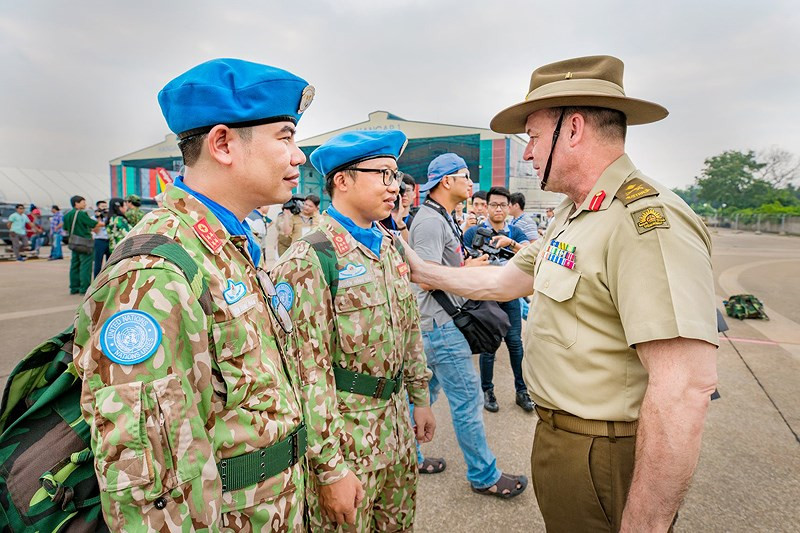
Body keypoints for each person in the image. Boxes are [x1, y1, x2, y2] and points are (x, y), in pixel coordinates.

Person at [406, 55, 719, 531]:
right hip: (563, 438)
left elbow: (683, 389)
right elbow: (506, 280)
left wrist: (644, 524)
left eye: (532, 136)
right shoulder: (571, 216)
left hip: (606, 451)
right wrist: (424, 271)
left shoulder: (644, 223)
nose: (528, 153)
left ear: (572, 130)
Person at [72, 58, 316, 530]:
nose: (298, 155)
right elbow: (150, 492)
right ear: (223, 143)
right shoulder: (153, 274)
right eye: (285, 136)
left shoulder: (226, 244)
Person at [272, 130, 435, 531]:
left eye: (395, 176)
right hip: (348, 440)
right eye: (383, 175)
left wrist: (421, 397)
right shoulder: (312, 256)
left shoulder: (389, 246)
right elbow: (307, 373)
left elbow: (409, 328)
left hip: (396, 427)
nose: (394, 187)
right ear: (342, 181)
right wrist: (329, 468)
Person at [409, 152, 528, 500]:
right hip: (441, 326)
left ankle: (412, 456)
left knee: (423, 396)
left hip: (435, 324)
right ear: (446, 181)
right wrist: (468, 272)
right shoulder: (430, 221)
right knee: (468, 402)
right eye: (463, 176)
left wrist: (467, 265)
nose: (470, 183)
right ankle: (484, 475)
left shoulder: (441, 215)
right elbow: (426, 277)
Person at [463, 186, 533, 413]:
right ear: (487, 206)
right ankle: (487, 391)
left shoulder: (515, 232)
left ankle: (521, 391)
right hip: (486, 297)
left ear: (509, 207)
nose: (498, 209)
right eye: (494, 204)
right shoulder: (474, 232)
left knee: (515, 343)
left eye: (503, 205)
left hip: (510, 295)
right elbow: (460, 259)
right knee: (488, 346)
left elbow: (531, 252)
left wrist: (510, 244)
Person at [63, 195, 98, 294]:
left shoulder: (67, 215)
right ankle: (84, 288)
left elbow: (65, 228)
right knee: (85, 266)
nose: (85, 204)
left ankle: (74, 287)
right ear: (76, 203)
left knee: (74, 265)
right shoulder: (81, 214)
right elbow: (93, 224)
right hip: (84, 243)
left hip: (74, 243)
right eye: (83, 202)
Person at [92, 200, 111, 278]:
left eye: (106, 206)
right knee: (98, 262)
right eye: (102, 206)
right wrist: (99, 218)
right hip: (99, 241)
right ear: (98, 207)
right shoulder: (93, 218)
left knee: (110, 262)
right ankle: (96, 281)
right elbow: (96, 231)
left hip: (109, 241)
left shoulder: (109, 217)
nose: (104, 208)